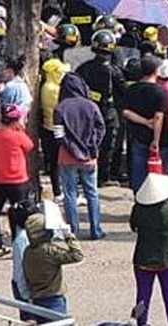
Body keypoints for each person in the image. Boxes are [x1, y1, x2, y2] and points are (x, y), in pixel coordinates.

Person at [55, 73, 107, 239]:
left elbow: (58, 134)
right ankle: (96, 230)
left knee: (70, 194)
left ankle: (73, 231)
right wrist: (92, 145)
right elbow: (101, 128)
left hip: (67, 156)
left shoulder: (61, 107)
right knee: (92, 192)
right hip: (89, 156)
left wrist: (70, 147)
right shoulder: (91, 106)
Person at [130, 172, 168, 326]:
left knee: (142, 297)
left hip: (143, 258)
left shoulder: (138, 209)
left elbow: (134, 227)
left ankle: (141, 323)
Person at [0, 104, 35, 257]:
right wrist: (21, 130)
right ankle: (17, 242)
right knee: (19, 212)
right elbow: (30, 146)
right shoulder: (18, 135)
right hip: (18, 180)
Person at [120, 55, 168, 193]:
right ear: (156, 71)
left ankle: (140, 200)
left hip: (138, 136)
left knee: (139, 172)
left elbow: (125, 112)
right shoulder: (160, 92)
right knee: (159, 173)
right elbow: (159, 117)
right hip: (160, 140)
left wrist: (144, 122)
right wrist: (156, 140)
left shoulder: (131, 89)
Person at [22, 212, 85, 315]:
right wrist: (68, 236)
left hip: (36, 298)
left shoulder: (28, 251)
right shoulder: (49, 251)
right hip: (53, 299)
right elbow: (77, 255)